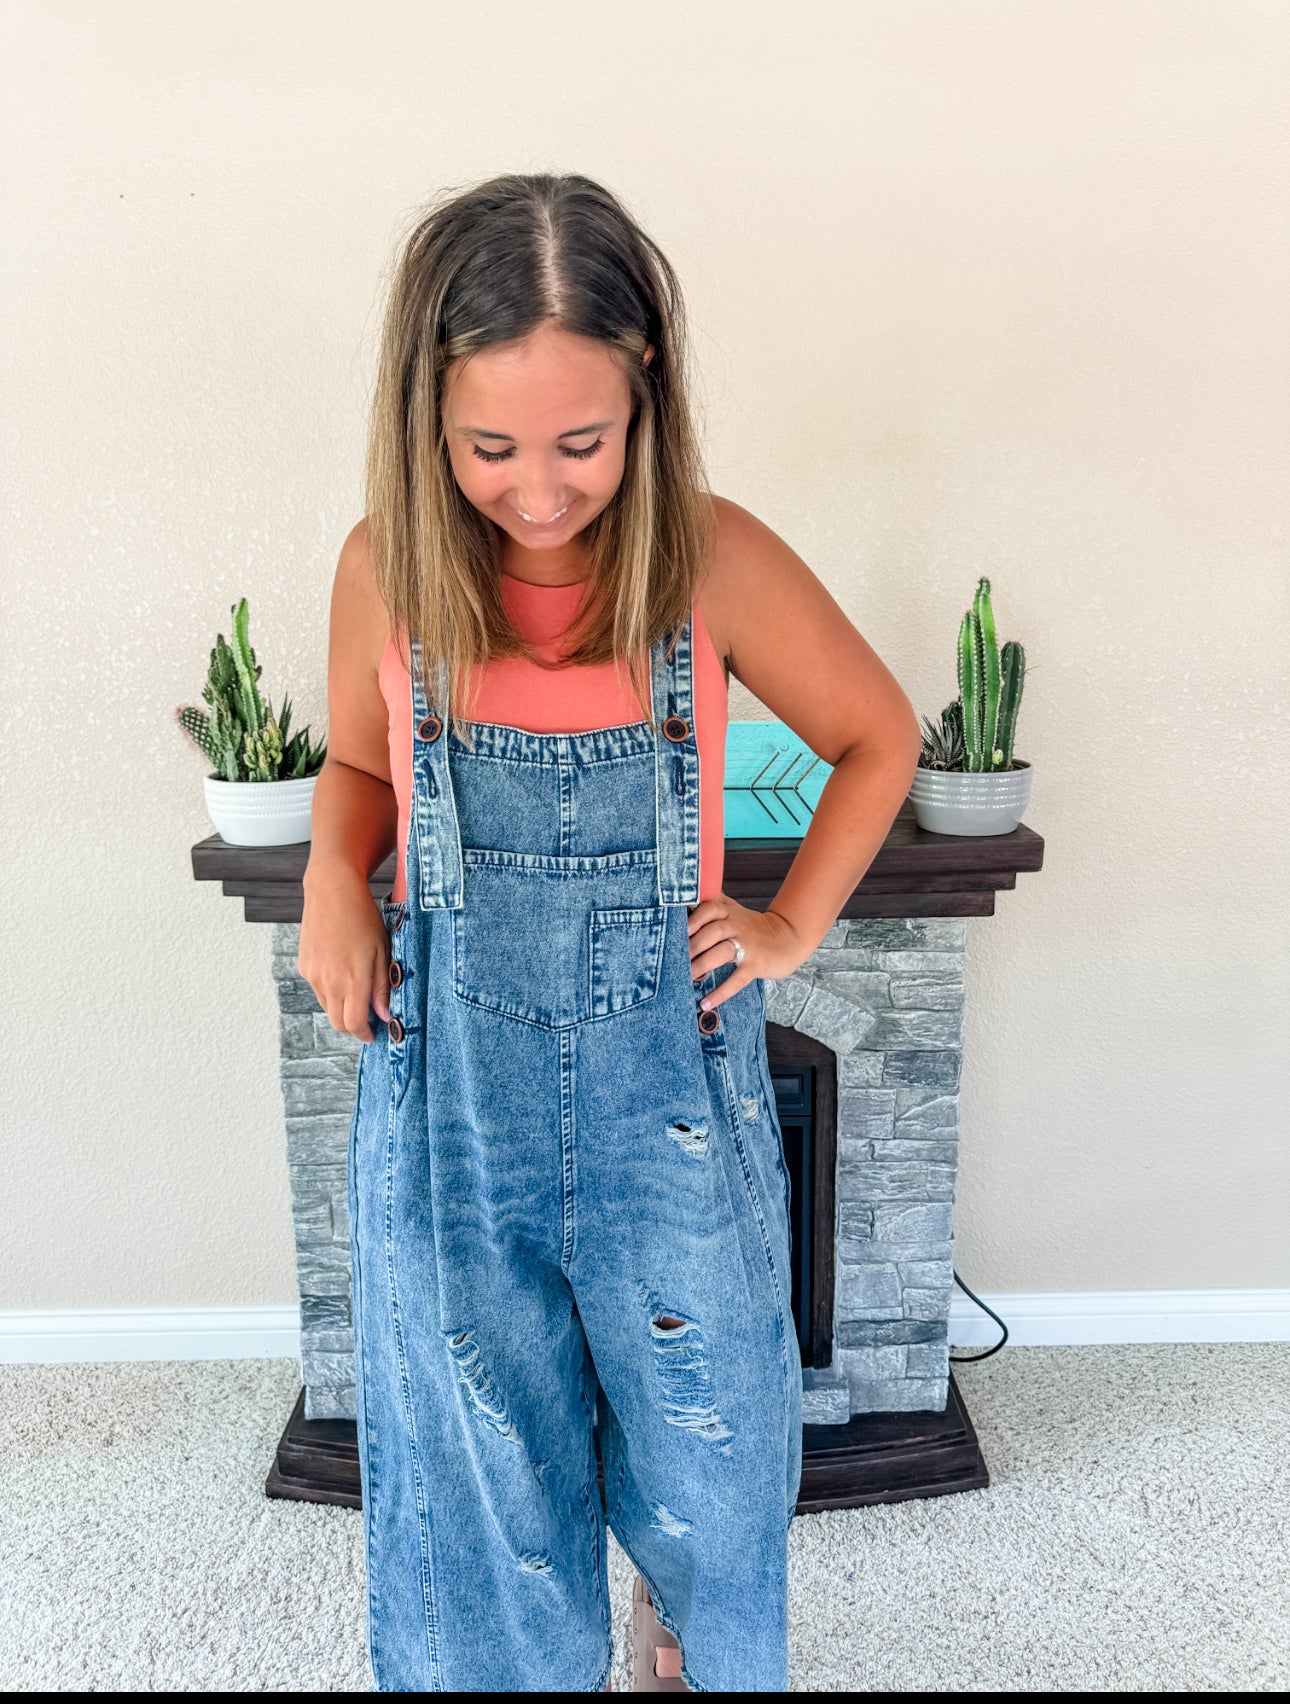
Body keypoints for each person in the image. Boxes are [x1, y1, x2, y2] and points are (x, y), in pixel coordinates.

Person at [298, 172, 922, 1693]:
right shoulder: (388, 563)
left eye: (580, 443)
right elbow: (362, 765)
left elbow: (878, 735)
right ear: (423, 416)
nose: (537, 488)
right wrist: (331, 880)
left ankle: (688, 1650)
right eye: (488, 445)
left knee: (711, 1435)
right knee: (474, 1459)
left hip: (669, 1096)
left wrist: (784, 927)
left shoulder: (708, 558)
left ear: (644, 395)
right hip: (451, 1096)